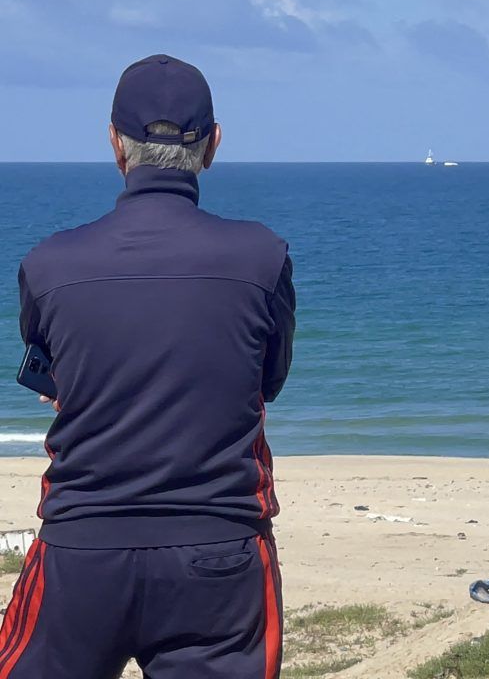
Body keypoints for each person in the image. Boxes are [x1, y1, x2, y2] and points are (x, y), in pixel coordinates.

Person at [0, 55, 295, 678]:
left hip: (82, 550)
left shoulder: (49, 265)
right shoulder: (263, 257)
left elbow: (51, 379)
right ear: (213, 144)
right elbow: (267, 381)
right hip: (218, 551)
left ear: (115, 143)